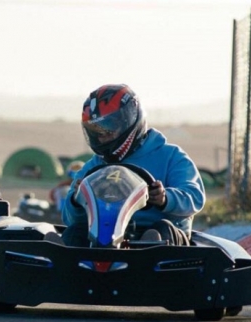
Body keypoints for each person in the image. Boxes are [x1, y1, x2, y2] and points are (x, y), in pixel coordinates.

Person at [61, 83, 206, 246]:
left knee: (161, 230)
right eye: (96, 132)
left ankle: (150, 252)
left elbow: (195, 197)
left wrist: (165, 198)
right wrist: (77, 199)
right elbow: (68, 218)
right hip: (107, 236)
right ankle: (56, 258)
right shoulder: (94, 166)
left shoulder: (171, 156)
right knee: (75, 231)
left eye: (108, 130)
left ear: (129, 121)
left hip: (158, 237)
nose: (102, 138)